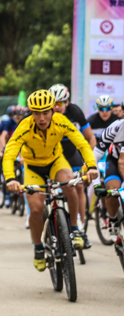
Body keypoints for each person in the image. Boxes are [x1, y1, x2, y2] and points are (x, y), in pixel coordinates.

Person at [3, 89, 99, 269]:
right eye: (36, 113)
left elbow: (82, 144)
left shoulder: (61, 122)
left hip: (56, 161)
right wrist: (10, 179)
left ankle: (75, 229)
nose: (41, 118)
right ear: (31, 113)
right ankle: (38, 248)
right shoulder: (24, 127)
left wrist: (91, 166)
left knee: (70, 183)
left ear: (53, 111)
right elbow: (9, 155)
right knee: (36, 209)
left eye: (45, 112)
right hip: (33, 167)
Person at [48, 83, 96, 248]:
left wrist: (87, 163)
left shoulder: (75, 112)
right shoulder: (46, 114)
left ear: (67, 102)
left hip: (72, 154)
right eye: (54, 103)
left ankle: (80, 229)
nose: (56, 107)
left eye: (60, 103)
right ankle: (52, 230)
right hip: (53, 155)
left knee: (79, 188)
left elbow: (91, 139)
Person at [93, 118, 124, 249]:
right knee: (112, 190)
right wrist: (96, 184)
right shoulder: (114, 128)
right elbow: (95, 157)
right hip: (115, 163)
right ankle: (112, 220)